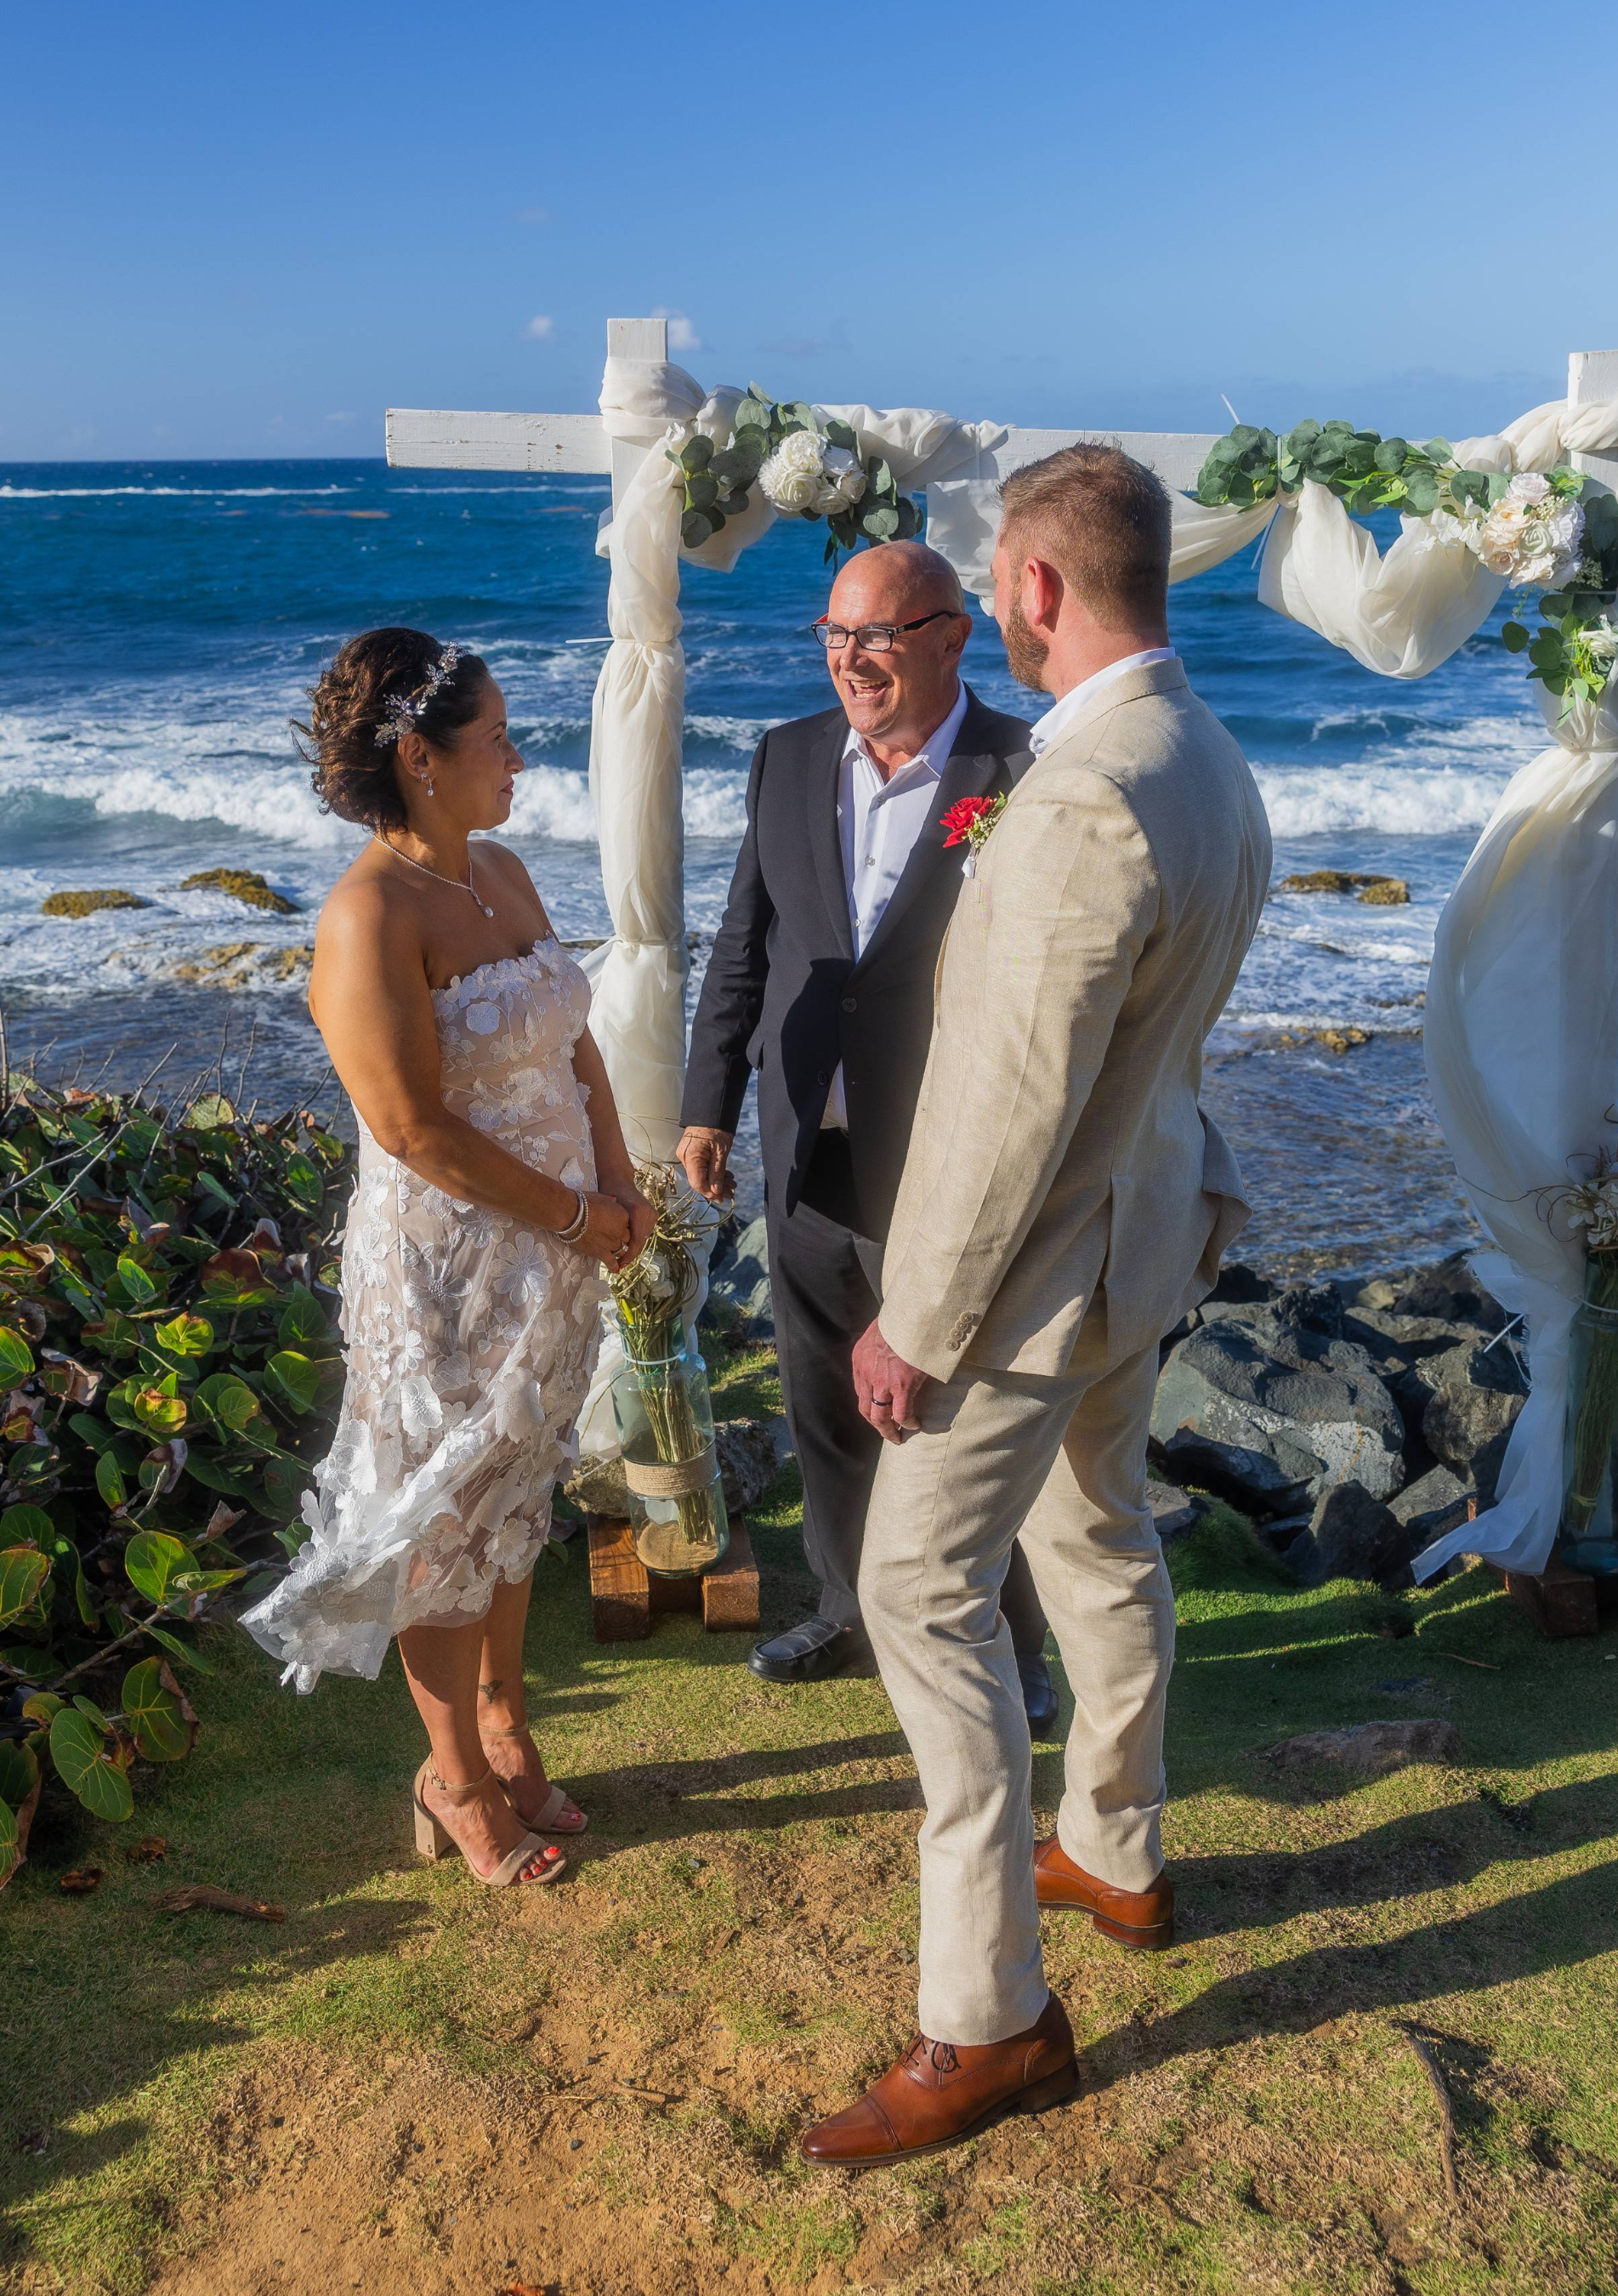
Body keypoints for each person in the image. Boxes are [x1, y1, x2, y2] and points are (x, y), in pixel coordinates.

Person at [799, 447, 1273, 2167]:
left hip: (1035, 1279)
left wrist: (912, 1324)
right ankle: (1118, 1853)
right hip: (1143, 1239)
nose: (1001, 605)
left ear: (1039, 589)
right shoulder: (1206, 755)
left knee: (920, 1594)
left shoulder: (1083, 795)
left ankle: (989, 2018)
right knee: (1096, 1536)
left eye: (1001, 580)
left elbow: (1008, 1107)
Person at [242, 628, 656, 1890]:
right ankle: (455, 1779)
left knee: (516, 1498)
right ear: (420, 759)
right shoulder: (366, 914)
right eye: (496, 741)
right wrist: (574, 1214)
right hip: (447, 1269)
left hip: (557, 1253)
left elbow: (576, 1041)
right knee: (443, 1516)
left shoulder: (504, 872)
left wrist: (618, 1179)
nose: (519, 760)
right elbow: (411, 1129)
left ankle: (506, 1726)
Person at [676, 543, 1058, 1731]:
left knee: (968, 1413)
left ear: (952, 636)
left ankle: (1016, 1642)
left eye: (878, 636)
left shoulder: (1024, 765)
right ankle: (846, 1609)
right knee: (824, 1400)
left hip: (945, 1155)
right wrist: (707, 1102)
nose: (851, 661)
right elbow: (744, 939)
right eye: (835, 636)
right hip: (805, 1138)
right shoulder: (787, 756)